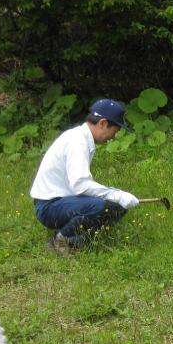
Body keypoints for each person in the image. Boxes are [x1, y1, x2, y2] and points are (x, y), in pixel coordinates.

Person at [30, 99, 140, 253]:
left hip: (62, 202)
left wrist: (116, 197)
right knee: (100, 206)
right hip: (49, 206)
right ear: (102, 123)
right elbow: (80, 185)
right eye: (114, 131)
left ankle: (79, 242)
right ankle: (61, 241)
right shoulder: (78, 142)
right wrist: (115, 194)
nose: (113, 137)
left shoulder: (81, 138)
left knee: (116, 207)